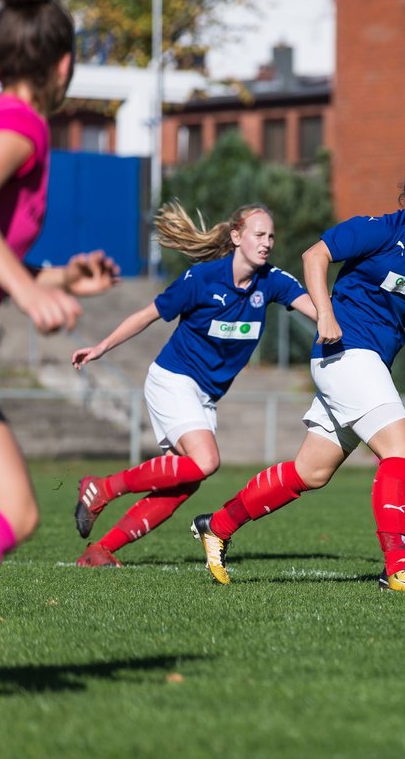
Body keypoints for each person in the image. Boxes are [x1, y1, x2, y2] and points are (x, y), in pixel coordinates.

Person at [189, 147, 405, 591]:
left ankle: (216, 526)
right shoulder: (379, 230)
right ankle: (398, 568)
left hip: (368, 363)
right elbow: (314, 256)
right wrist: (325, 313)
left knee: (310, 472)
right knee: (402, 451)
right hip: (345, 352)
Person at [0, 0, 121, 587]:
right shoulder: (22, 125)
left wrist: (54, 276)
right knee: (12, 508)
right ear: (64, 66)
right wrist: (29, 294)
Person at [70, 202, 316, 566]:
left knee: (184, 483)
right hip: (173, 379)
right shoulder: (202, 279)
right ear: (236, 236)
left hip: (205, 396)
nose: (267, 243)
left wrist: (346, 324)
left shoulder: (273, 281)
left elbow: (318, 310)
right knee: (205, 461)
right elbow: (147, 315)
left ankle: (101, 550)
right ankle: (103, 488)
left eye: (271, 236)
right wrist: (102, 347)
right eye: (259, 234)